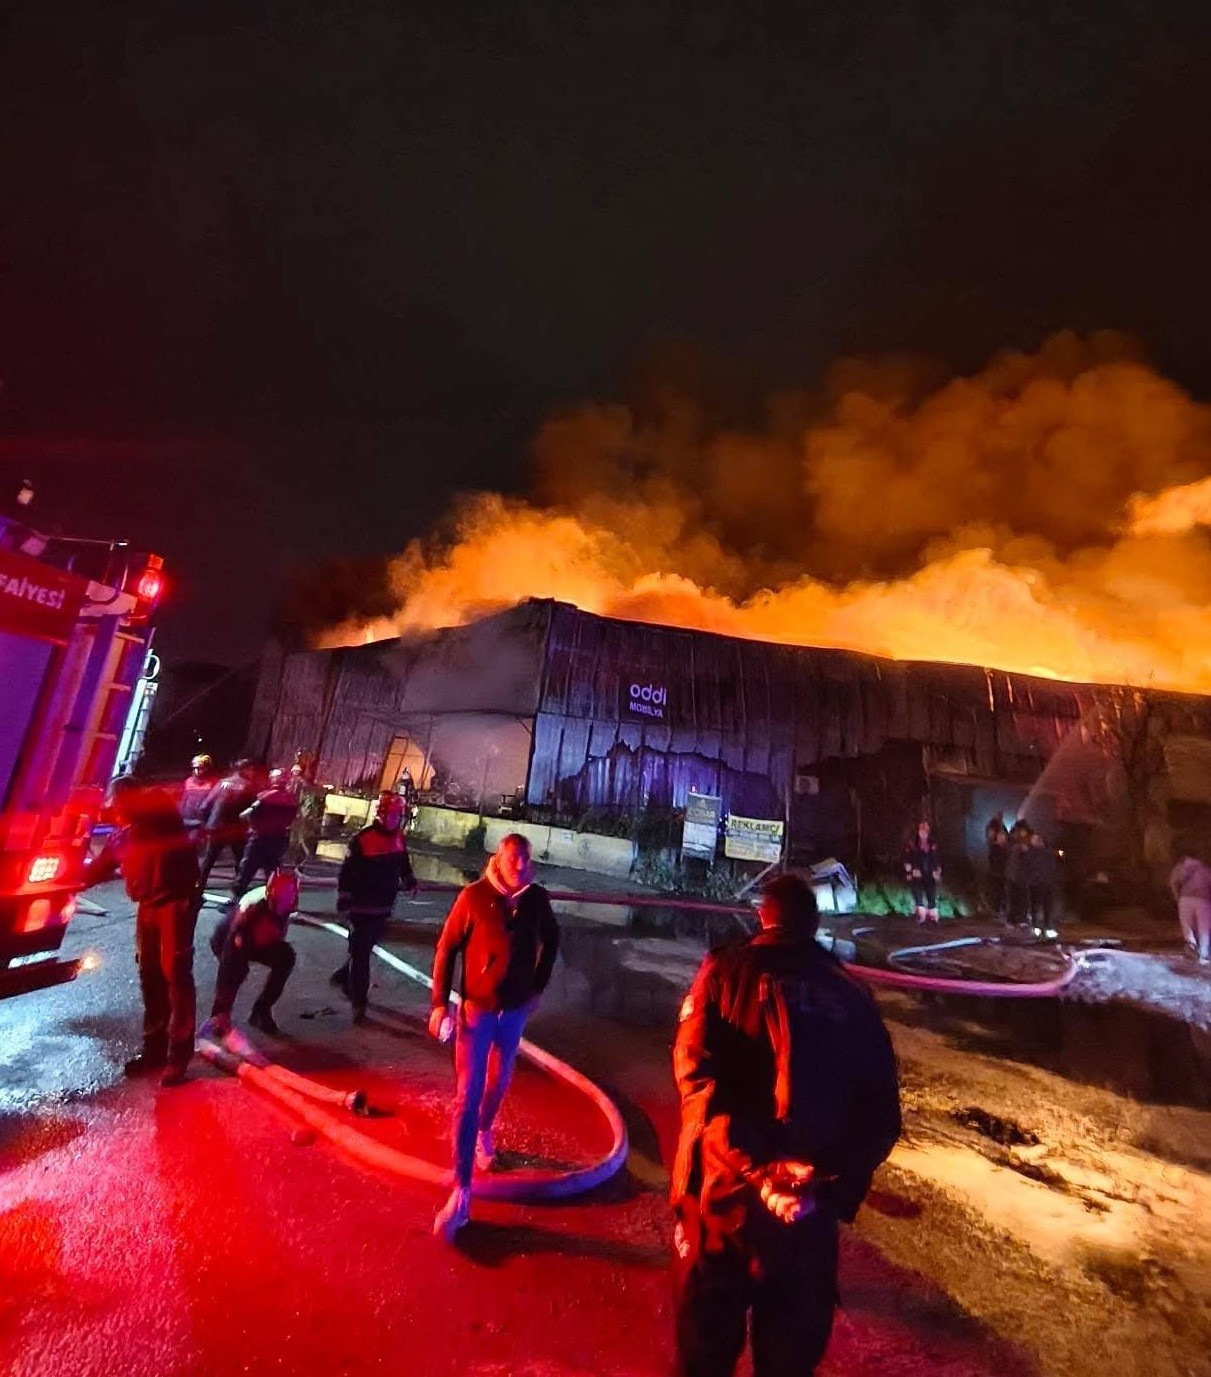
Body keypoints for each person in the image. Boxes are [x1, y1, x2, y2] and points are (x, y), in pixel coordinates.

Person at [670, 873, 901, 1377]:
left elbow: (696, 1078)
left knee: (703, 1355)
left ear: (763, 917)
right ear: (815, 924)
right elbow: (881, 1116)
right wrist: (822, 1185)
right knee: (788, 1361)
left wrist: (758, 1172)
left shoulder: (725, 970)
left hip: (721, 1202)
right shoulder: (853, 995)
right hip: (806, 1220)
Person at [428, 833, 561, 1242]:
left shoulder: (536, 899)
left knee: (499, 1080)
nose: (521, 865)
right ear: (498, 860)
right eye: (514, 858)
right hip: (476, 1013)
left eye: (526, 858)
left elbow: (552, 939)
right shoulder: (474, 897)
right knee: (467, 1095)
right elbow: (446, 948)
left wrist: (537, 987)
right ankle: (462, 1190)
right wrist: (439, 1004)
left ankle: (484, 1131)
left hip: (514, 1013)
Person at [82, 776, 201, 1086]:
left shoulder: (161, 818)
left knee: (176, 975)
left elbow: (155, 802)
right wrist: (64, 882)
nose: (115, 809)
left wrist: (129, 800)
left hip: (175, 903)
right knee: (150, 976)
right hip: (147, 907)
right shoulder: (121, 838)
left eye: (119, 802)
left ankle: (178, 1056)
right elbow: (97, 870)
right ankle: (154, 1050)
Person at [330, 791, 419, 1022]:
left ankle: (345, 977)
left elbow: (403, 862)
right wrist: (345, 899)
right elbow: (347, 873)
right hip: (361, 907)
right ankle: (359, 1003)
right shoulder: (362, 839)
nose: (394, 819)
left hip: (384, 905)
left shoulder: (398, 838)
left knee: (364, 947)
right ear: (380, 814)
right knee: (361, 954)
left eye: (397, 815)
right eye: (391, 815)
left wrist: (410, 880)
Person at [200, 869, 300, 1037]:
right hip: (230, 939)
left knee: (286, 957)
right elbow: (229, 960)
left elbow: (278, 932)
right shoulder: (250, 908)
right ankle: (219, 1016)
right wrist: (221, 1010)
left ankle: (261, 1011)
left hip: (259, 939)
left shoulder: (286, 902)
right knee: (235, 971)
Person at [232, 767, 299, 898]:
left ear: (274, 779)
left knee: (247, 868)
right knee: (273, 871)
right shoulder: (291, 799)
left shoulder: (265, 796)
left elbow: (247, 814)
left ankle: (238, 896)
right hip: (279, 838)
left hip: (260, 837)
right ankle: (274, 898)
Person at [197, 760, 257, 887]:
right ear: (245, 769)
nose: (252, 772)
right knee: (240, 859)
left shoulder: (221, 783)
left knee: (208, 860)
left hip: (216, 827)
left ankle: (199, 887)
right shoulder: (248, 785)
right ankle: (238, 889)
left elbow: (205, 805)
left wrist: (206, 824)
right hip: (236, 829)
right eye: (251, 769)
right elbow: (254, 808)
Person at [1169, 851, 1211, 964]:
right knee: (1204, 928)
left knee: (1187, 925)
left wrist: (1178, 897)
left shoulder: (1180, 868)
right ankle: (1203, 953)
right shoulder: (1205, 869)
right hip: (1204, 901)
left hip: (1185, 899)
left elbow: (1173, 882)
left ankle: (1191, 946)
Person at [902, 819, 942, 923]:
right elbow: (907, 858)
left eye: (925, 830)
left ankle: (932, 912)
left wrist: (937, 869)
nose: (923, 833)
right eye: (921, 830)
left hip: (930, 872)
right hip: (917, 872)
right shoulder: (913, 844)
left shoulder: (933, 844)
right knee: (917, 889)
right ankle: (920, 911)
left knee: (931, 890)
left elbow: (936, 858)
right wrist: (909, 870)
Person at [1025, 831, 1060, 938]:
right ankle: (1037, 928)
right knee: (1035, 907)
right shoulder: (1030, 853)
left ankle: (1046, 927)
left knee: (1046, 907)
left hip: (1044, 884)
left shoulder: (1047, 854)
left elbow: (1052, 868)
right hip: (1035, 884)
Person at [180, 753, 219, 839]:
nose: (196, 770)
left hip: (202, 821)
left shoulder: (213, 783)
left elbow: (216, 805)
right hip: (187, 819)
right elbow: (184, 800)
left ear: (207, 768)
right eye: (194, 768)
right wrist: (180, 815)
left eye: (199, 768)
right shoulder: (189, 781)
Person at [1004, 819, 1033, 928]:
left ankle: (1021, 919)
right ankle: (1011, 920)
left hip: (1022, 876)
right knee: (1012, 899)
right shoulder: (1013, 842)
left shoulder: (1028, 842)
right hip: (1013, 875)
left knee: (1022, 899)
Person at [985, 813, 1009, 919]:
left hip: (1003, 873)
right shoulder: (994, 848)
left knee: (1003, 892)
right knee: (997, 892)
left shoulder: (1005, 849)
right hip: (996, 873)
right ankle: (997, 910)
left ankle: (1002, 909)